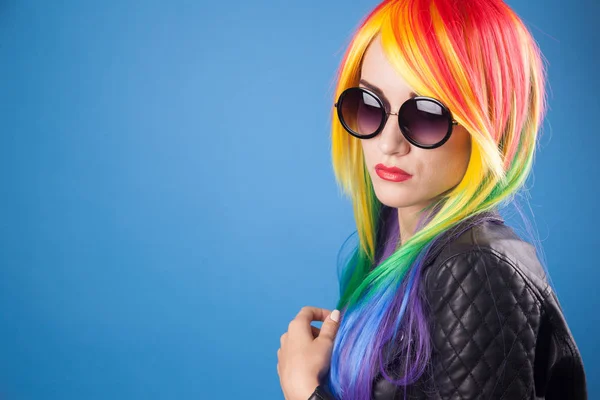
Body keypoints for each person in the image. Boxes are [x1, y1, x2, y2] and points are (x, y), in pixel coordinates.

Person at [276, 0, 588, 399]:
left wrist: (303, 389)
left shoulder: (476, 267)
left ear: (489, 126)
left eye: (426, 114)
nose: (388, 144)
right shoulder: (394, 249)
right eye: (369, 106)